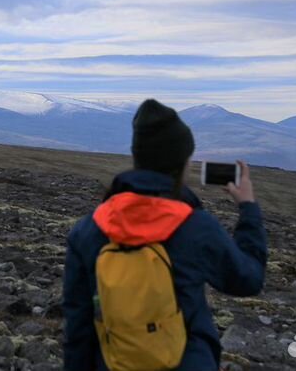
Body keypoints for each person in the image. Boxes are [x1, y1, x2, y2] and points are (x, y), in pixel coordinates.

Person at [62, 99, 267, 371]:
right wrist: (248, 208)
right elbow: (248, 279)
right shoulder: (195, 227)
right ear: (182, 162)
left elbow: (78, 326)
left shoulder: (89, 230)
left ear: (138, 159)